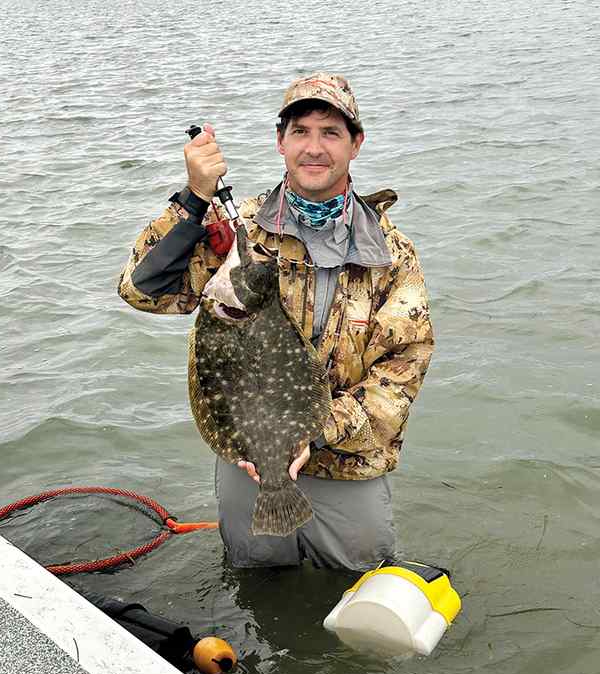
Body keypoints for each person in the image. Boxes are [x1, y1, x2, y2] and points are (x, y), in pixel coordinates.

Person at [118, 73, 434, 571]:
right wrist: (196, 196)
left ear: (356, 145)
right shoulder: (235, 230)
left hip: (345, 458)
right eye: (300, 131)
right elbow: (142, 290)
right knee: (254, 576)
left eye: (330, 133)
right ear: (280, 142)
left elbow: (403, 369)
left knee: (359, 579)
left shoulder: (391, 255)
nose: (314, 147)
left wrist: (314, 432)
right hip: (249, 451)